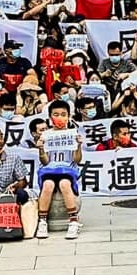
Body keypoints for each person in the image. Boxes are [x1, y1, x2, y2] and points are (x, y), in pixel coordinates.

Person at [35, 100, 84, 239]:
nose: (60, 117)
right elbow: (45, 161)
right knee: (48, 185)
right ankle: (42, 221)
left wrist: (79, 145)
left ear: (69, 116)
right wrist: (41, 149)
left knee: (64, 184)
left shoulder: (72, 134)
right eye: (56, 114)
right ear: (50, 117)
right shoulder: (46, 135)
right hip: (50, 170)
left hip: (67, 170)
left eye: (63, 114)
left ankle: (73, 221)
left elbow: (77, 160)